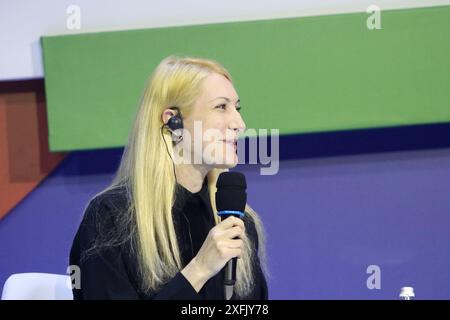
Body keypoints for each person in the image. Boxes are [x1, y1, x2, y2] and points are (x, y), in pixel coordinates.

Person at [70, 56, 268, 299]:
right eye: (221, 107)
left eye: (236, 108)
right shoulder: (111, 218)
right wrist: (200, 270)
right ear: (173, 122)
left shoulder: (237, 221)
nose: (239, 123)